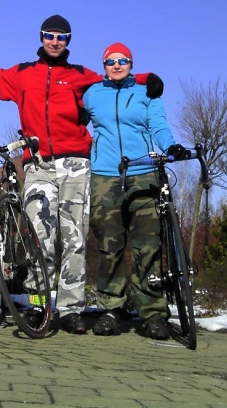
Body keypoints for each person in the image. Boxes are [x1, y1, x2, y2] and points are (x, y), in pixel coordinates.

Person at [0, 16, 163, 334]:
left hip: (76, 164)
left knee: (74, 238)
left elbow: (114, 80)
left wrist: (148, 79)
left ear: (68, 41)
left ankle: (71, 309)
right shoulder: (23, 73)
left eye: (61, 37)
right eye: (50, 35)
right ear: (41, 37)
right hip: (38, 166)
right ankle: (39, 305)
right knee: (39, 237)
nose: (55, 41)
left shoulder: (80, 76)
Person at [84, 42, 186, 339]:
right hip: (105, 177)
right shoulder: (91, 93)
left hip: (143, 175)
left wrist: (170, 147)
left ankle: (153, 314)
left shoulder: (146, 92)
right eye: (110, 61)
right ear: (103, 65)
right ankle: (110, 310)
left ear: (131, 64)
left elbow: (158, 126)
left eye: (123, 61)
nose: (116, 65)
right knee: (109, 247)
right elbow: (70, 115)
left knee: (148, 247)